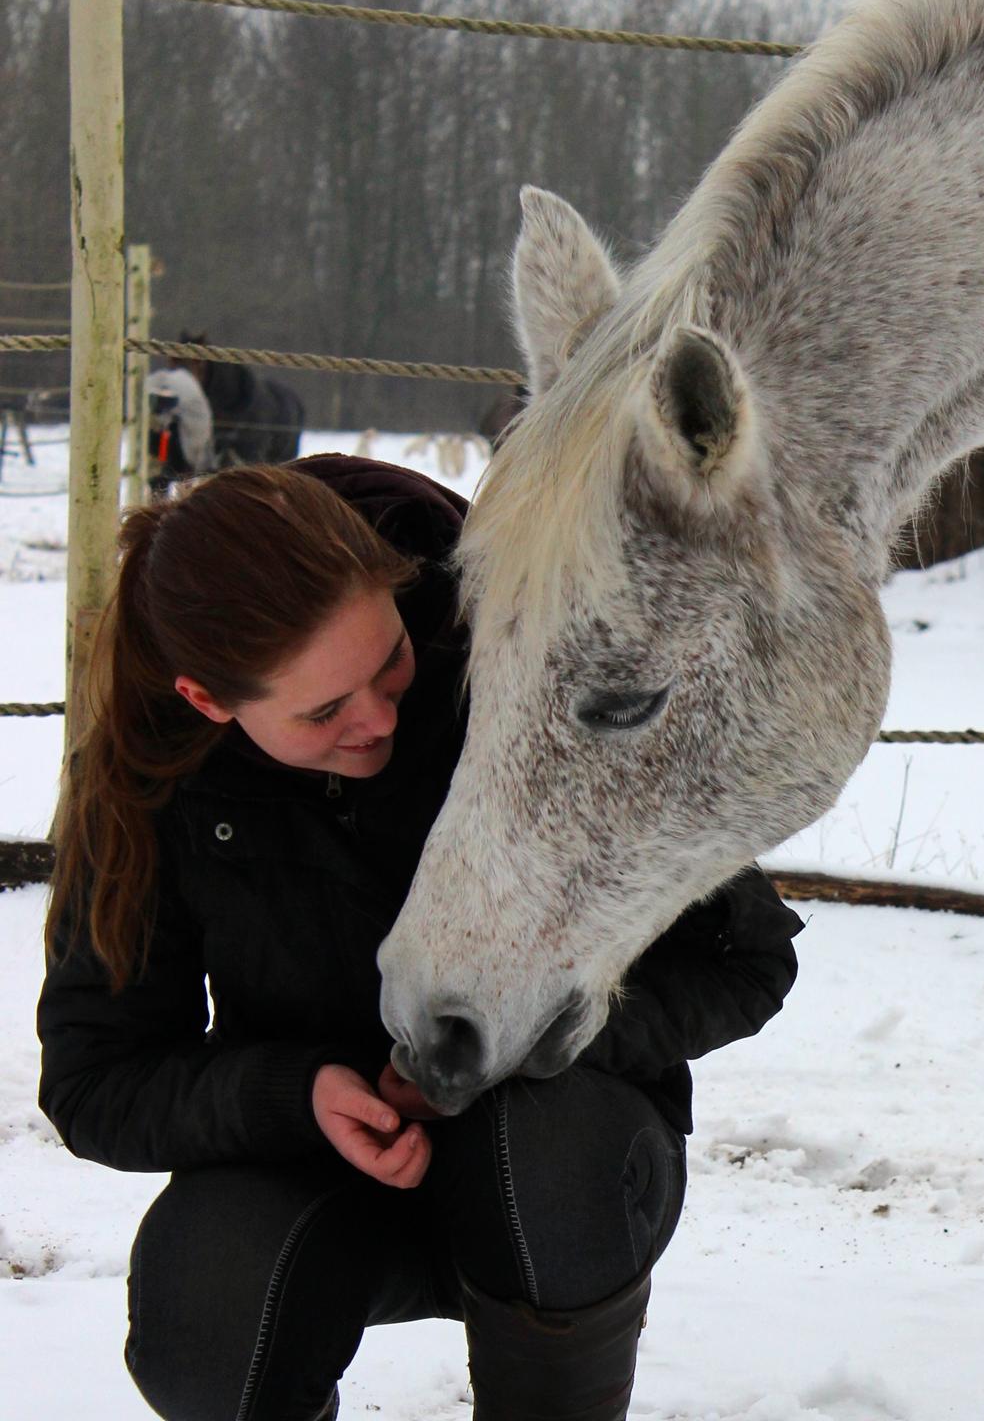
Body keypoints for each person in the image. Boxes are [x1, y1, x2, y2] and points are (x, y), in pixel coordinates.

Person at [38, 453, 803, 1421]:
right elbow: (95, 1081)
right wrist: (298, 1092)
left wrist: (528, 1039)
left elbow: (744, 958)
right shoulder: (149, 777)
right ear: (208, 702)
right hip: (318, 1172)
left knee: (546, 1160)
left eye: (390, 662)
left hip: (562, 1161)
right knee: (205, 1315)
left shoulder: (527, 671)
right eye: (322, 711)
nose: (377, 719)